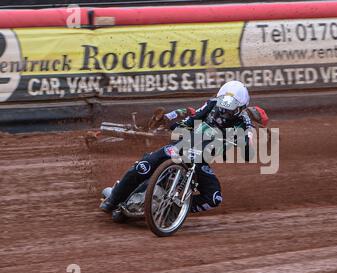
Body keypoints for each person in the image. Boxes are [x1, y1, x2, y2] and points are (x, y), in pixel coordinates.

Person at [100, 80, 269, 221]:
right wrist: (178, 126)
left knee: (214, 197)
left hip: (202, 160)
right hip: (184, 145)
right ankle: (114, 199)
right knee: (145, 165)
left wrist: (244, 143)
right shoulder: (212, 104)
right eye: (223, 102)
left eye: (230, 106)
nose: (224, 109)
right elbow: (192, 119)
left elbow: (248, 151)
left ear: (241, 108)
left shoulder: (245, 124)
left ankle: (174, 210)